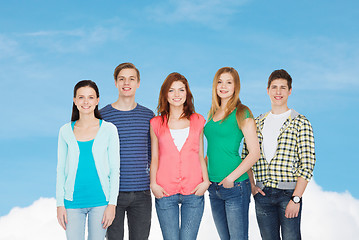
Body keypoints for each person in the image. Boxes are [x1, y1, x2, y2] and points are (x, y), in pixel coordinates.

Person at [242, 69, 316, 240]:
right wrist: (252, 186)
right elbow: (246, 156)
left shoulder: (300, 122)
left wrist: (296, 198)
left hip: (288, 195)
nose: (278, 92)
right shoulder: (257, 123)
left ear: (290, 91)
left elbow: (307, 163)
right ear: (267, 90)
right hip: (262, 195)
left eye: (283, 88)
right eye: (274, 87)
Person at [56, 80, 120, 240]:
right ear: (75, 100)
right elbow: (60, 170)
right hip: (72, 203)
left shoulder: (109, 130)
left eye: (91, 97)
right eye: (81, 97)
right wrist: (59, 204)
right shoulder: (65, 131)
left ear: (97, 100)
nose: (86, 102)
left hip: (100, 201)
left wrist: (112, 204)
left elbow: (115, 169)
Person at [150, 72, 210, 240]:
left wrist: (206, 181)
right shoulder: (156, 123)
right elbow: (155, 157)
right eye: (171, 90)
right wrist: (153, 184)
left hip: (194, 190)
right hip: (164, 190)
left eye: (181, 90)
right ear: (165, 94)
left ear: (187, 93)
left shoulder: (198, 120)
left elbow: (200, 154)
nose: (176, 95)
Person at [204, 67, 260, 240]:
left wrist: (231, 179)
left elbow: (254, 153)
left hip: (235, 187)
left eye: (229, 82)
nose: (223, 86)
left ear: (236, 87)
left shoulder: (242, 112)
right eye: (220, 82)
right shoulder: (212, 113)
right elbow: (212, 150)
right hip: (214, 188)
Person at [100, 63, 154, 240]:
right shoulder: (103, 116)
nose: (126, 83)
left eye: (131, 79)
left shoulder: (148, 116)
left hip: (142, 194)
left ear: (138, 83)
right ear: (115, 82)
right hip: (112, 196)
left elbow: (152, 155)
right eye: (122, 79)